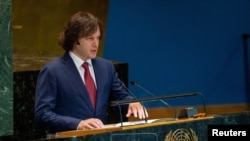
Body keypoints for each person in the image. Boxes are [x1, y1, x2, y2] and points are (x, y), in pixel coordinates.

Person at [34, 11, 148, 133]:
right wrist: (78, 124)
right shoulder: (53, 71)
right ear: (74, 40)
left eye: (98, 38)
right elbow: (42, 114)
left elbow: (120, 95)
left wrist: (131, 102)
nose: (96, 44)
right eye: (90, 38)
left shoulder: (106, 67)